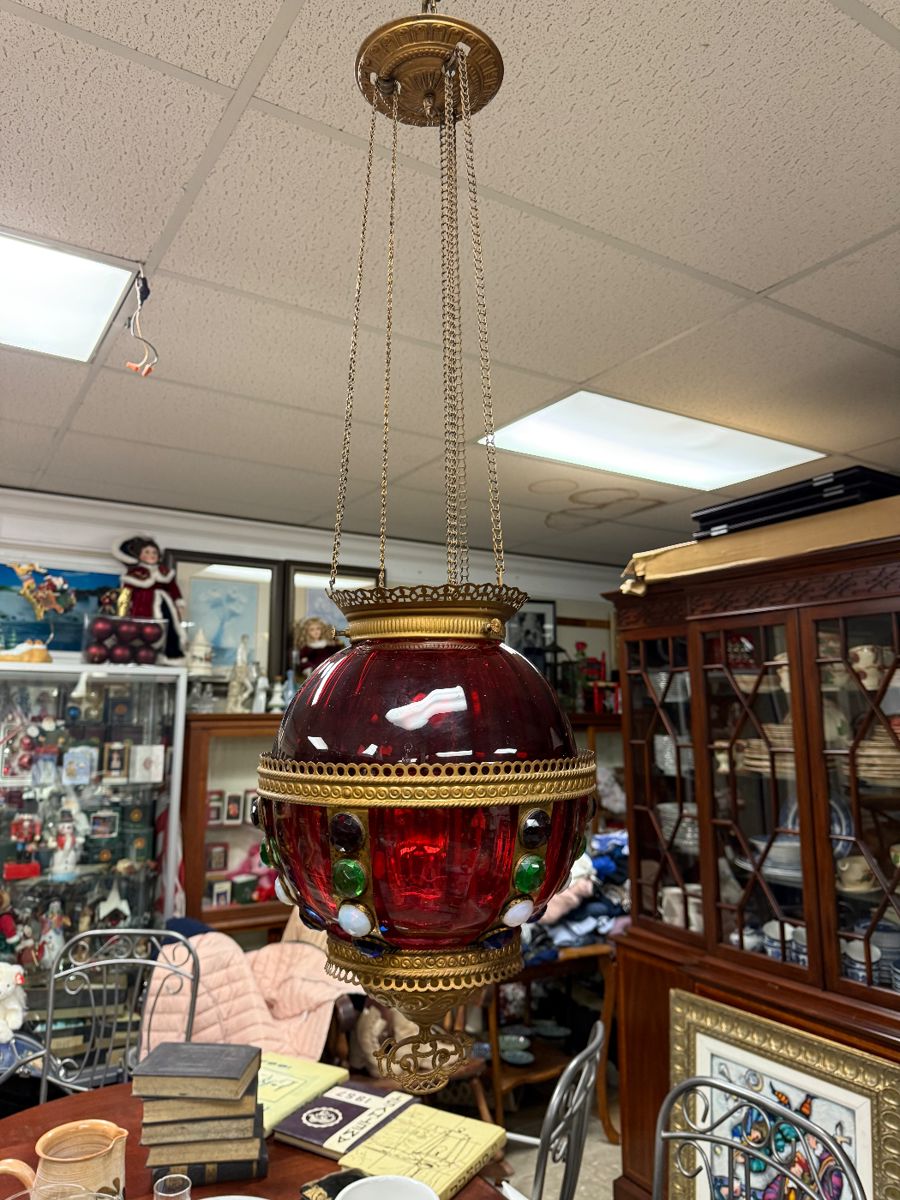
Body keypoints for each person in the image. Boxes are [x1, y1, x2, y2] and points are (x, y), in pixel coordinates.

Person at [113, 534, 186, 660]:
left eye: (154, 552)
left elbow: (173, 589)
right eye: (147, 552)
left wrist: (178, 602)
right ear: (139, 555)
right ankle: (141, 652)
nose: (151, 555)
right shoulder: (135, 573)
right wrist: (122, 609)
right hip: (142, 604)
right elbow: (126, 592)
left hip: (164, 603)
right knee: (142, 628)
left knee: (170, 627)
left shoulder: (164, 572)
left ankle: (170, 652)